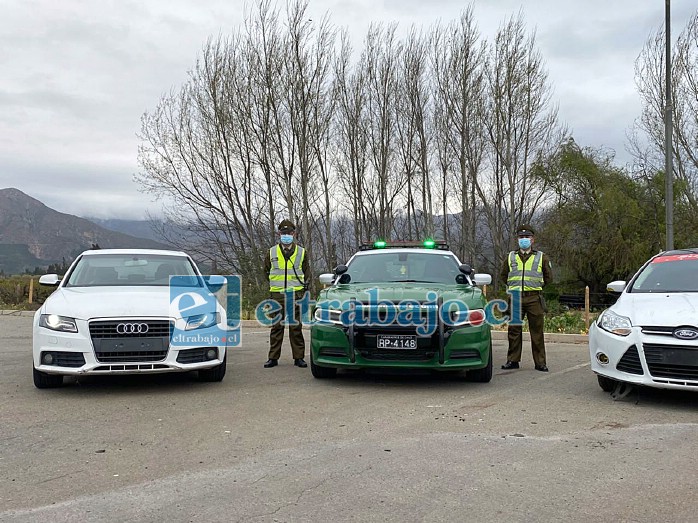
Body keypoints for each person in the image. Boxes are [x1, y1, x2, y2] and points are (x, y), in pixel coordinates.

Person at [500, 224, 553, 372]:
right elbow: (504, 275)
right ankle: (513, 360)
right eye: (521, 237)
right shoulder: (510, 257)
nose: (524, 239)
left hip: (534, 298)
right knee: (514, 331)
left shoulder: (541, 257)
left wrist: (536, 288)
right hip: (516, 297)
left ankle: (540, 362)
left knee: (537, 331)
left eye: (527, 237)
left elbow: (548, 277)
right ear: (517, 239)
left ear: (532, 240)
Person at [263, 219, 309, 368]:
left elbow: (307, 272)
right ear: (279, 234)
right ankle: (273, 358)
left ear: (294, 234)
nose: (286, 235)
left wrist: (302, 289)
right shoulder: (271, 252)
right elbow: (266, 271)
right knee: (276, 327)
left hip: (295, 294)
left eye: (289, 233)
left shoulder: (302, 252)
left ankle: (299, 358)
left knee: (295, 327)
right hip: (277, 295)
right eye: (283, 233)